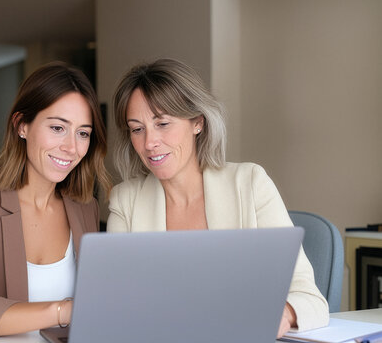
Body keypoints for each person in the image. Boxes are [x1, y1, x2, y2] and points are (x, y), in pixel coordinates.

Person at [107, 58, 329, 338]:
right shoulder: (125, 201)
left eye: (162, 123)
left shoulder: (250, 184)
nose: (149, 142)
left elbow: (309, 298)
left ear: (197, 123)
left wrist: (282, 313)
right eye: (137, 129)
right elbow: (114, 305)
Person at [0, 62, 111, 340]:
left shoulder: (85, 208)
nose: (71, 147)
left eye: (83, 133)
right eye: (57, 128)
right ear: (21, 125)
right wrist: (65, 311)